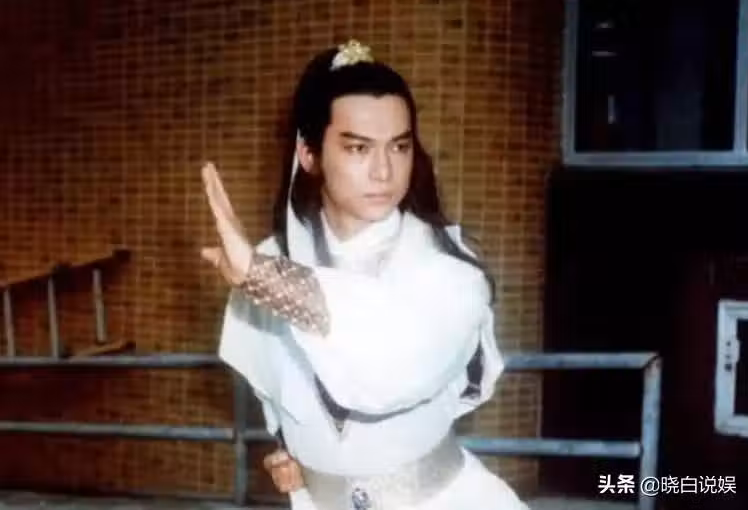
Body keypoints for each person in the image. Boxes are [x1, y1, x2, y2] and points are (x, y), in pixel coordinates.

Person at [201, 39, 528, 510]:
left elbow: (390, 363)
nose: (384, 171)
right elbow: (281, 393)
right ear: (309, 153)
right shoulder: (272, 261)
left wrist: (262, 277)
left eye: (400, 146)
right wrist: (298, 456)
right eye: (358, 148)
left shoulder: (450, 270)